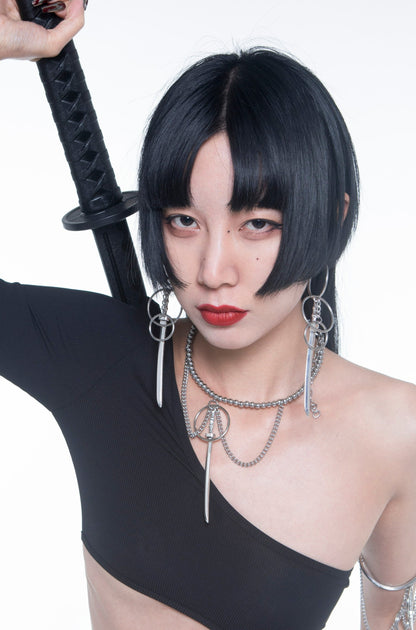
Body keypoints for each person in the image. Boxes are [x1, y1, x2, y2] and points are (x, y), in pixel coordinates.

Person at [1, 1, 415, 629]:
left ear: (332, 217)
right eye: (184, 221)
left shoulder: (397, 431)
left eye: (258, 223)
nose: (214, 270)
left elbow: (392, 620)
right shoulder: (100, 359)